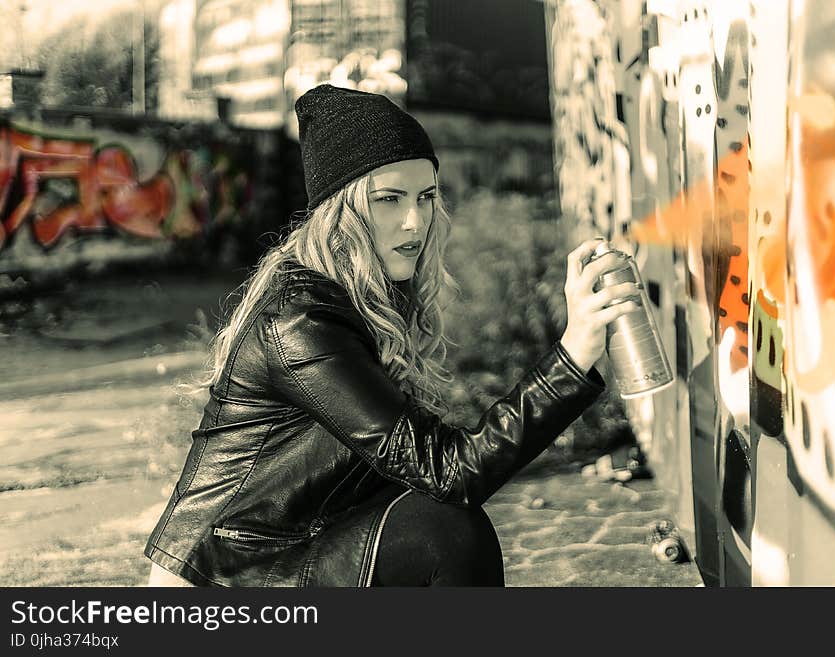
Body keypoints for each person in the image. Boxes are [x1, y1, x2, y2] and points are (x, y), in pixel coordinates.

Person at [144, 84, 641, 587]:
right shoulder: (301, 323)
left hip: (294, 548)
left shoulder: (361, 293)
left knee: (430, 517)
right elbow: (453, 472)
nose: (415, 220)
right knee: (445, 528)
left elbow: (416, 465)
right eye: (389, 199)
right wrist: (572, 355)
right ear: (341, 211)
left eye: (425, 197)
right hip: (223, 579)